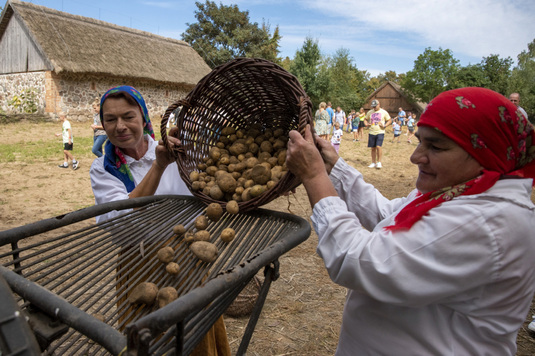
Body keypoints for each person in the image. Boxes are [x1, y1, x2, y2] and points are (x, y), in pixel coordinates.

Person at [285, 87, 535, 356]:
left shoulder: (488, 222)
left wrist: (314, 177)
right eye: (420, 141)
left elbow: (362, 262)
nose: (415, 156)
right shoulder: (460, 191)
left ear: (488, 152)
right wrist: (334, 167)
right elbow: (388, 215)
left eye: (436, 146)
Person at [90, 85, 230, 356]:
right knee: (148, 343)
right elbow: (120, 221)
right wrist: (158, 166)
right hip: (139, 265)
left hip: (187, 259)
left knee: (195, 337)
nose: (120, 126)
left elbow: (217, 181)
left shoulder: (177, 151)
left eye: (128, 117)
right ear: (102, 124)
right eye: (110, 119)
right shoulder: (103, 169)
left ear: (143, 118)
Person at [364, 99, 391, 169]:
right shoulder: (370, 112)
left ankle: (379, 162)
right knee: (373, 148)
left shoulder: (383, 112)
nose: (374, 108)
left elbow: (389, 120)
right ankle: (373, 162)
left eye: (375, 106)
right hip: (371, 132)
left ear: (379, 105)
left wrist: (385, 125)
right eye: (373, 106)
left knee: (378, 147)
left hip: (380, 132)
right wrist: (367, 124)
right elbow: (365, 119)